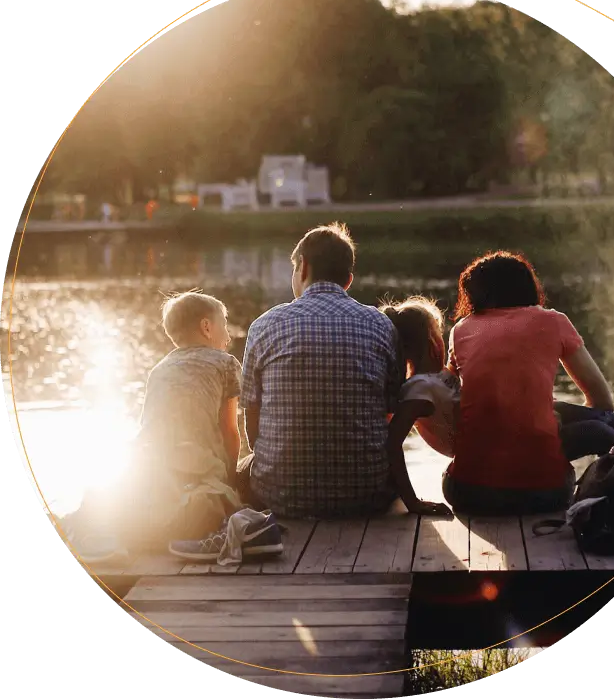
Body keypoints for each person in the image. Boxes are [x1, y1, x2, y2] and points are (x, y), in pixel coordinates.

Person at [382, 255, 614, 516]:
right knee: (587, 421)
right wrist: (554, 430)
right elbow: (602, 401)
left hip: (468, 494)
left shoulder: (461, 330)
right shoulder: (553, 321)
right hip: (545, 494)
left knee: (565, 417)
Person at [234, 222, 447, 520]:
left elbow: (251, 414)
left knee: (241, 470)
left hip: (281, 494)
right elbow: (387, 412)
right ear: (348, 280)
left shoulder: (264, 325)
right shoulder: (381, 325)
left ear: (303, 267)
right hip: (367, 496)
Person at [59, 291, 249, 562]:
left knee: (134, 492)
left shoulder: (159, 369)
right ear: (207, 328)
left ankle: (103, 530)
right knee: (213, 499)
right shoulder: (226, 364)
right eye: (224, 325)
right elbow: (230, 431)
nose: (228, 336)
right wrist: (230, 476)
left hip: (146, 460)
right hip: (197, 463)